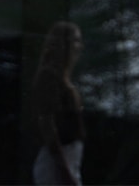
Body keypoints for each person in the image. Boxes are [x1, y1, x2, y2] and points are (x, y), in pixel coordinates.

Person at [31, 21, 85, 185]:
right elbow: (47, 125)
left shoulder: (64, 79)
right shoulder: (49, 77)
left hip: (69, 161)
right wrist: (63, 170)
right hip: (58, 166)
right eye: (75, 40)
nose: (79, 46)